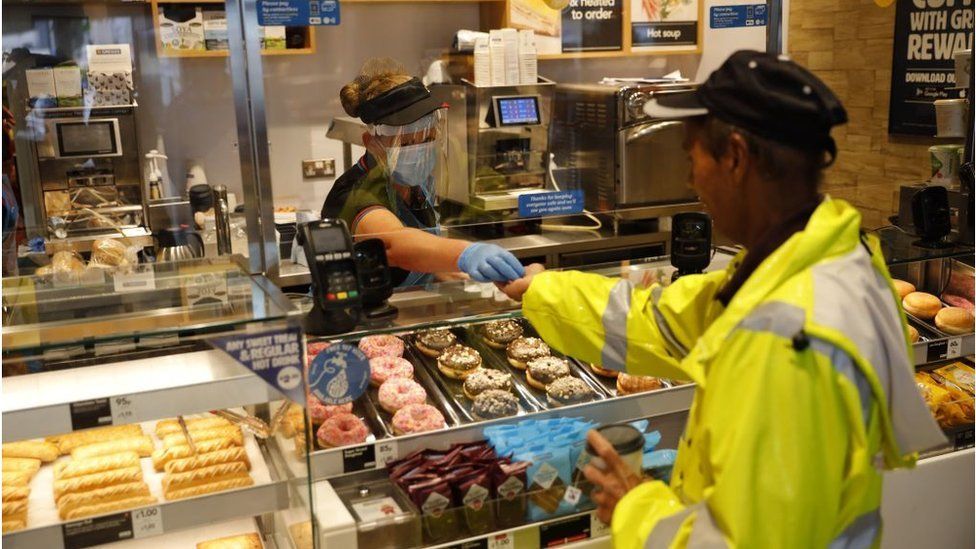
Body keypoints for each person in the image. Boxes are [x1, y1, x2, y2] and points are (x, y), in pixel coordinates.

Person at [500, 51, 946, 548]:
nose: (691, 181)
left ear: (734, 157)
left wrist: (637, 507)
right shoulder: (829, 257)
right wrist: (542, 289)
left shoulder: (786, 340)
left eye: (692, 157)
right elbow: (664, 320)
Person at [322, 58, 524, 287]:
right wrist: (466, 254)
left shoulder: (416, 186)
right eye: (405, 143)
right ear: (371, 142)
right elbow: (397, 245)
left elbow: (422, 257)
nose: (420, 151)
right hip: (354, 316)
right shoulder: (356, 194)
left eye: (428, 138)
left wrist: (445, 273)